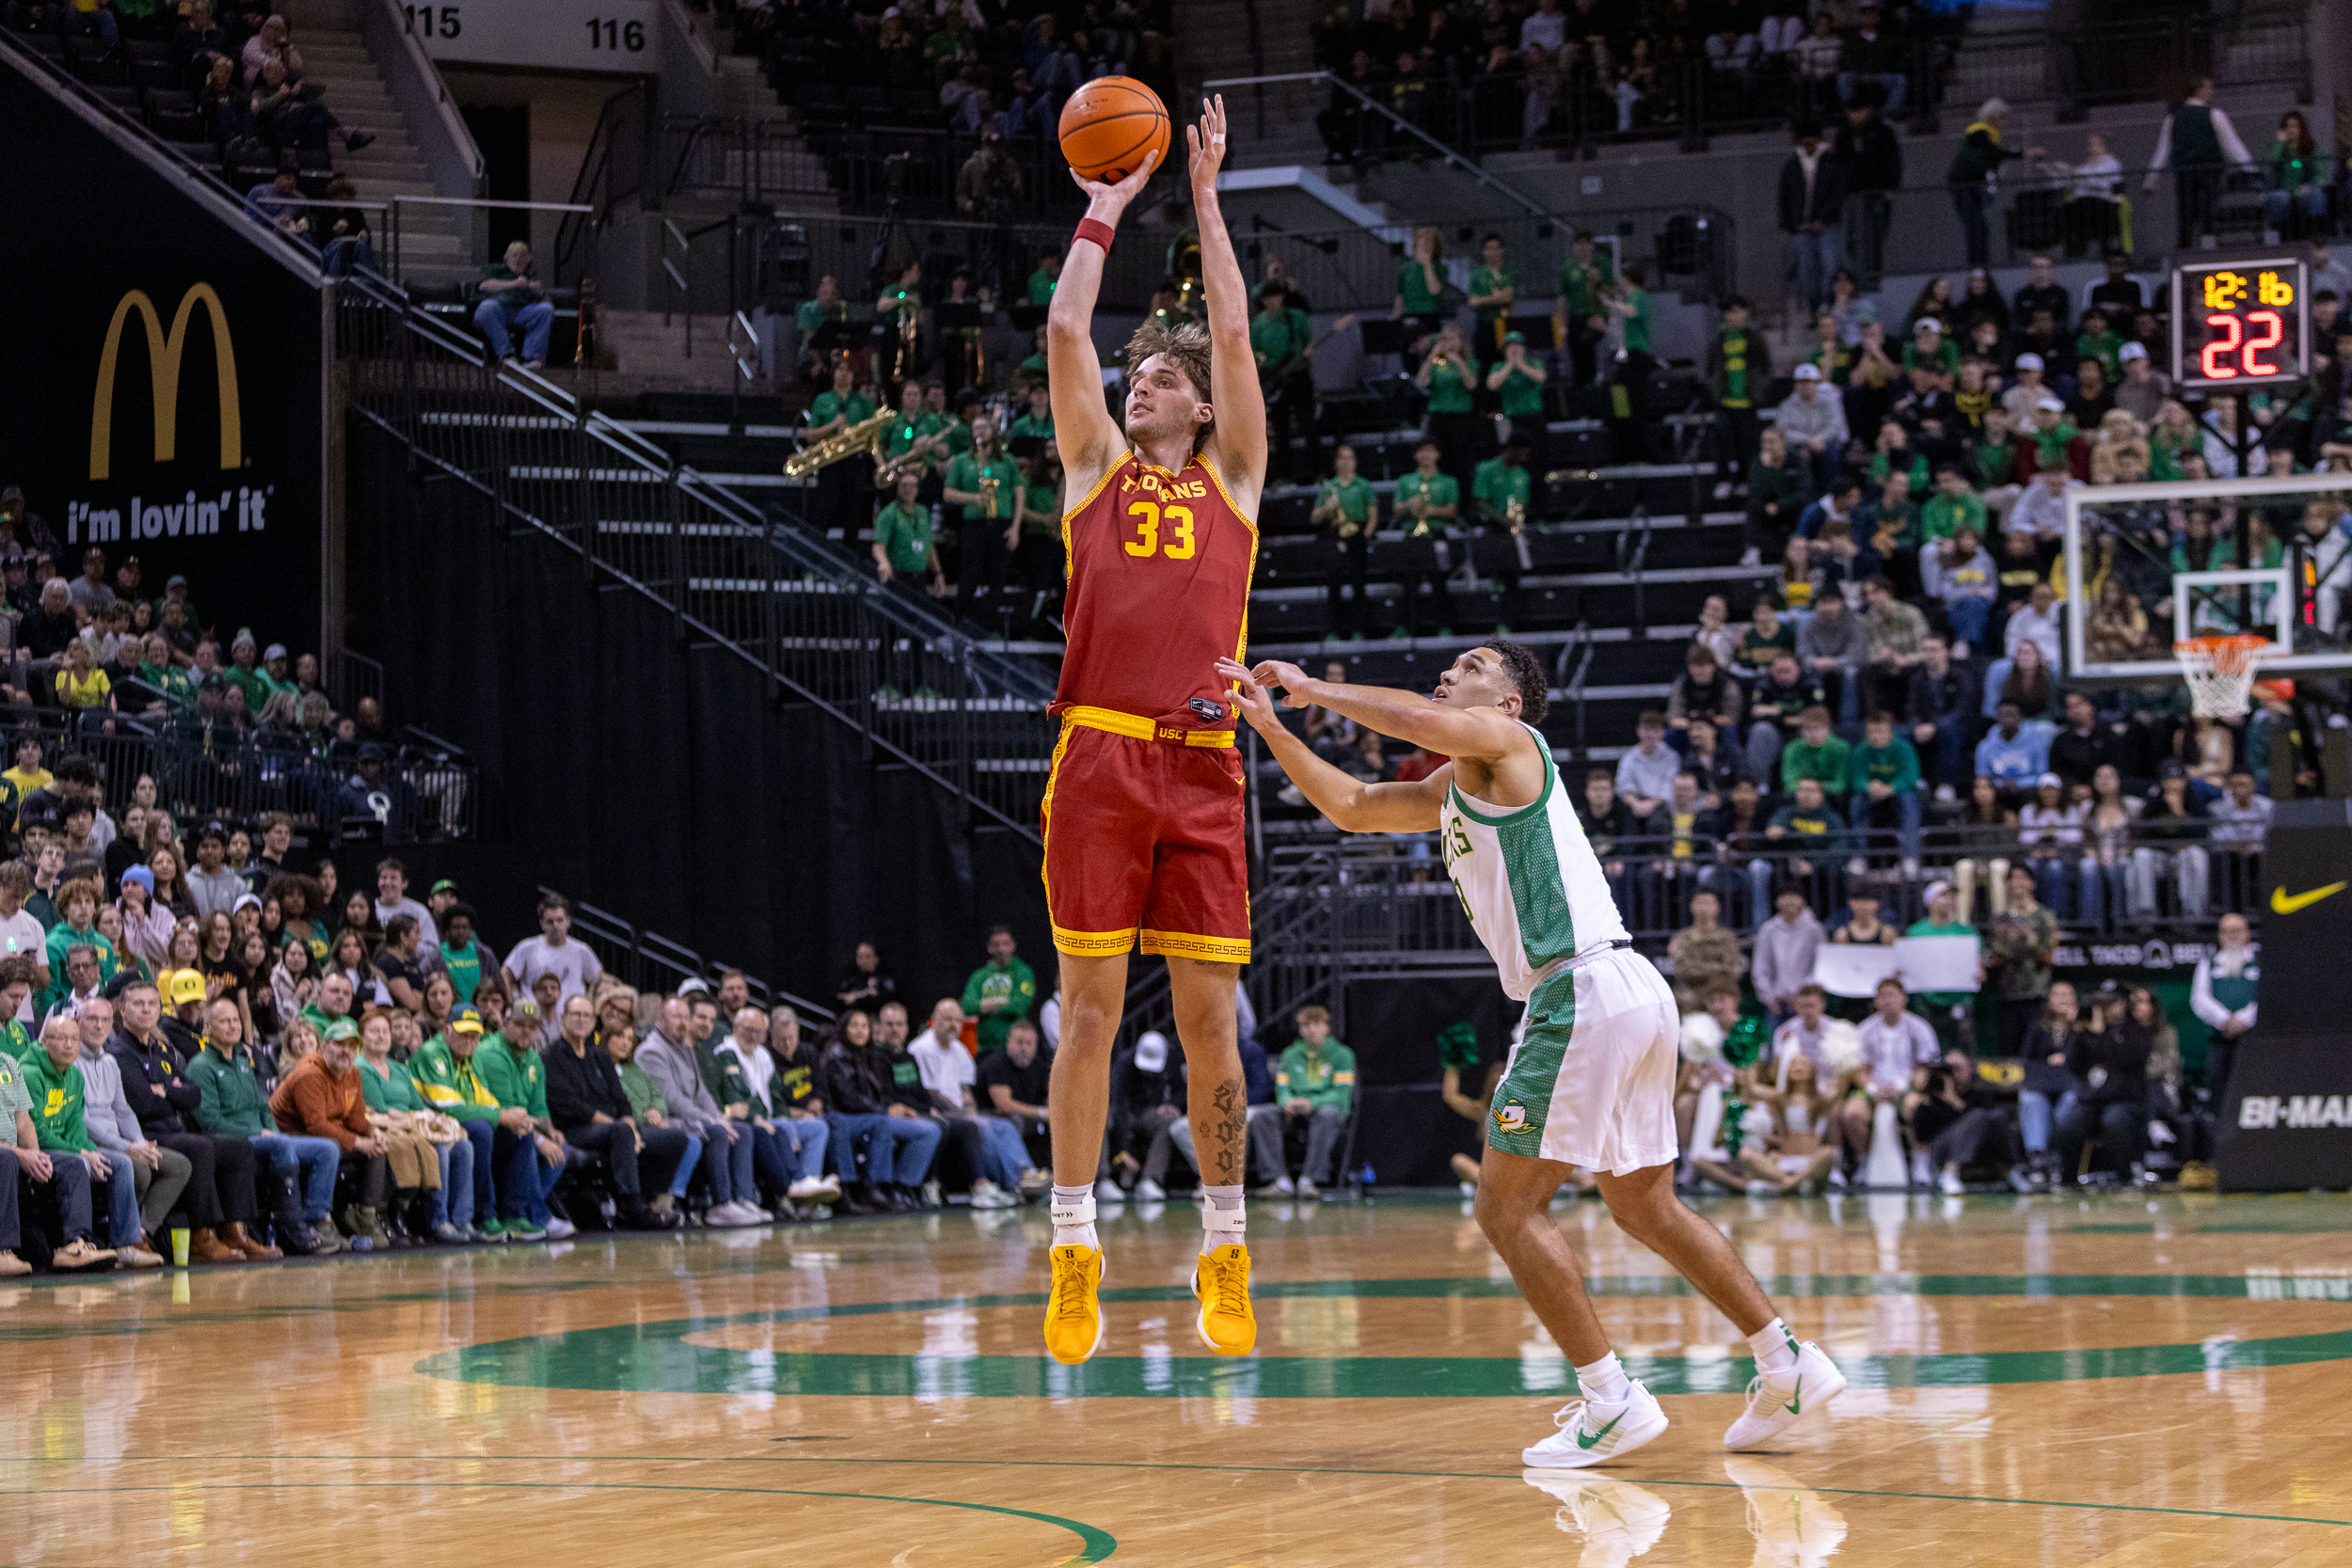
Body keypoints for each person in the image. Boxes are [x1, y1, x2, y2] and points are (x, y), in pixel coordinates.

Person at [1223, 643, 1846, 1466]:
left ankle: (1610, 1399)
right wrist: (1272, 728)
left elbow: (1416, 718)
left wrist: (1311, 688)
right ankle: (1787, 1361)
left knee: (1504, 1208)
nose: (1450, 671)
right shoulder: (1460, 782)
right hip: (1627, 989)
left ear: (1509, 701)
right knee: (1645, 1206)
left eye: (1472, 664)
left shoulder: (1510, 743)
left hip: (1579, 989)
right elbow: (1358, 805)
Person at [1034, 96, 1264, 1365]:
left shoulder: (1236, 479)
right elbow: (1067, 324)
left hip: (1205, 763)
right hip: (1103, 753)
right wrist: (1108, 206)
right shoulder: (1093, 471)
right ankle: (1076, 1248)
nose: (1143, 379)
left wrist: (1208, 196)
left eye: (1164, 375)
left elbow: (1230, 325)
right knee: (1087, 1014)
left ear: (1203, 407)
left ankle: (1223, 1246)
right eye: (1140, 375)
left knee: (1211, 1022)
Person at [106, 977, 273, 1262]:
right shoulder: (120, 1054)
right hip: (144, 1134)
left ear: (159, 1009)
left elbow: (193, 1095)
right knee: (199, 1147)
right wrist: (173, 1093)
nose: (146, 1010)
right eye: (138, 1004)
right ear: (122, 1010)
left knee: (239, 1148)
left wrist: (165, 1091)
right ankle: (200, 1235)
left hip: (173, 1128)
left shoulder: (161, 1049)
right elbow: (144, 1104)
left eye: (151, 1004)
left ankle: (236, 1230)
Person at [186, 994, 344, 1254]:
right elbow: (209, 1121)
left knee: (327, 1149)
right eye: (224, 1021)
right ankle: (292, 1228)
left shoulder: (243, 1061)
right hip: (233, 1139)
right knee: (281, 1145)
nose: (233, 1026)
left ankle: (317, 1220)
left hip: (265, 1136)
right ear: (208, 1026)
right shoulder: (201, 1066)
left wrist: (272, 1129)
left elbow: (261, 1106)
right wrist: (260, 1133)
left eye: (236, 1020)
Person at [24, 1017, 163, 1265]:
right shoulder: (30, 1075)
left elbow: (77, 1125)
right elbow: (35, 1131)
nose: (69, 1045)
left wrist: (88, 1150)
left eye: (74, 1039)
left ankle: (125, 1245)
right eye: (61, 1038)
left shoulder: (74, 1075)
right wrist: (81, 1153)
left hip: (68, 1147)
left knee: (119, 1163)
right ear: (44, 1041)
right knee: (78, 1164)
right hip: (38, 1148)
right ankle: (76, 1244)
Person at [541, 993, 680, 1231]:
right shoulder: (550, 1056)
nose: (582, 1020)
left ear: (594, 1022)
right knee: (620, 1132)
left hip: (615, 1130)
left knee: (675, 1138)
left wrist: (632, 1129)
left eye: (587, 1015)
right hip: (574, 1130)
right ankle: (632, 1209)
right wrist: (622, 1127)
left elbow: (621, 1100)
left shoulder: (600, 1056)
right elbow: (568, 1105)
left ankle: (649, 1201)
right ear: (563, 1018)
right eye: (576, 1014)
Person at [269, 1016, 394, 1248]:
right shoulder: (309, 1074)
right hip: (287, 1136)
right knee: (330, 1148)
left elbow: (355, 1118)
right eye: (339, 1044)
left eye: (350, 1045)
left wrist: (372, 1131)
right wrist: (357, 1142)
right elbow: (315, 1126)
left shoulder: (352, 1073)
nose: (345, 1050)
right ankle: (319, 1220)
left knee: (377, 1148)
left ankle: (364, 1217)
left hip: (322, 1132)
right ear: (324, 1046)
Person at [0, 1040, 110, 1271]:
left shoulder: (9, 1064)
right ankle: (3, 1250)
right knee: (7, 1159)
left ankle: (74, 1246)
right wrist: (19, 1153)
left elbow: (23, 1120)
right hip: (7, 1154)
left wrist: (35, 1155)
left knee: (73, 1164)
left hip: (14, 1150)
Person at [2143, 78, 2255, 249]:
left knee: (2186, 215)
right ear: (2199, 90)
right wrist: (2250, 170)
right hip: (2209, 171)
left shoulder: (2173, 119)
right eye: (2209, 88)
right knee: (2209, 213)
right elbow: (2232, 145)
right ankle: (2208, 250)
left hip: (2185, 174)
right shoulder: (2214, 115)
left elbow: (2162, 151)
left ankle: (2185, 251)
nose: (2212, 92)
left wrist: (2150, 181)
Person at [2191, 911, 2259, 1104]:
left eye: (2237, 931)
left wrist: (2244, 1020)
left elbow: (2269, 994)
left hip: (2255, 1040)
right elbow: (2199, 999)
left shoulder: (2260, 959)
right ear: (2220, 936)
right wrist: (2226, 1020)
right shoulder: (2208, 963)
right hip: (2221, 1041)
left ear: (2247, 933)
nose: (2232, 936)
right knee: (2222, 1094)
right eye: (2227, 932)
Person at [1313, 444, 1379, 640]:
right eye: (1342, 457)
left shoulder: (1364, 485)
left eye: (1350, 457)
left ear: (1355, 462)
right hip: (1335, 535)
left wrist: (1365, 536)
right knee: (1334, 584)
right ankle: (1333, 631)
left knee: (1358, 585)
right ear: (1336, 462)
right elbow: (1315, 517)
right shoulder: (1328, 487)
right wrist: (1327, 508)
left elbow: (1373, 515)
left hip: (1358, 536)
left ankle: (1359, 630)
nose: (1346, 461)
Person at [503, 893, 603, 1005]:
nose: (555, 926)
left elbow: (598, 979)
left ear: (568, 921)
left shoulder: (581, 951)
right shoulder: (527, 948)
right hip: (534, 1018)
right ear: (542, 924)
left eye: (560, 920)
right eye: (550, 921)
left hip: (571, 1018)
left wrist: (589, 1002)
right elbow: (505, 973)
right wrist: (511, 1003)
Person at [474, 240, 556, 369]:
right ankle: (507, 355)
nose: (518, 259)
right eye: (514, 255)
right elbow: (484, 286)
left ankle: (532, 358)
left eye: (522, 255)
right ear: (506, 257)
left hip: (521, 312)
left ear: (528, 259)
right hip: (496, 311)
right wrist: (515, 283)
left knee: (546, 309)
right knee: (487, 306)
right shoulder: (496, 269)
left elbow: (544, 299)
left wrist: (534, 289)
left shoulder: (531, 276)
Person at [960, 925, 1037, 1055]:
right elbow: (967, 1005)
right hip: (985, 1049)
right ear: (989, 948)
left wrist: (986, 1004)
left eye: (1005, 944)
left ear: (1013, 945)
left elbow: (1020, 1004)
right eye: (996, 945)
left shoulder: (1023, 973)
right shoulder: (979, 976)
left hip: (1015, 1050)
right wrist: (1001, 1001)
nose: (1001, 949)